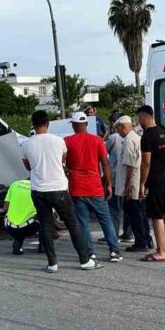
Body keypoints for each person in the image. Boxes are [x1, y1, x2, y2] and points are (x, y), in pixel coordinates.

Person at [21, 110, 99, 273]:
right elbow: (63, 160)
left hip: (38, 189)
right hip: (58, 188)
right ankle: (84, 260)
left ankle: (52, 263)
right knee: (72, 224)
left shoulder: (26, 144)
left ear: (33, 125)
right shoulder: (58, 141)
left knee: (45, 225)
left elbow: (28, 166)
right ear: (47, 124)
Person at [65, 111, 123, 263]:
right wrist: (109, 184)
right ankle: (114, 251)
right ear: (86, 124)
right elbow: (105, 163)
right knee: (105, 219)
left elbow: (63, 163)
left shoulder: (67, 141)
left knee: (83, 222)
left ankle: (90, 253)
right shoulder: (97, 141)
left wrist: (68, 172)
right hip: (95, 186)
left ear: (74, 125)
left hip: (77, 187)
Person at [138, 105, 165, 262]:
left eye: (138, 118)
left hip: (155, 178)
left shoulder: (147, 136)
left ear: (142, 117)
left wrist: (142, 183)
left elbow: (146, 163)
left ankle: (161, 251)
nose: (139, 122)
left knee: (156, 214)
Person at [113, 115, 153, 251]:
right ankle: (147, 239)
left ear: (123, 126)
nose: (118, 132)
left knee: (134, 214)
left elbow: (130, 165)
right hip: (137, 183)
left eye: (118, 129)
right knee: (141, 213)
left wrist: (127, 186)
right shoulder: (137, 138)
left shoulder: (129, 140)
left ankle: (140, 242)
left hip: (132, 185)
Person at [3, 178, 42, 255]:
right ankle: (43, 245)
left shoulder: (14, 184)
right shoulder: (38, 187)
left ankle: (18, 243)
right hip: (30, 226)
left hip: (9, 226)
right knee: (45, 219)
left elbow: (5, 207)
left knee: (18, 223)